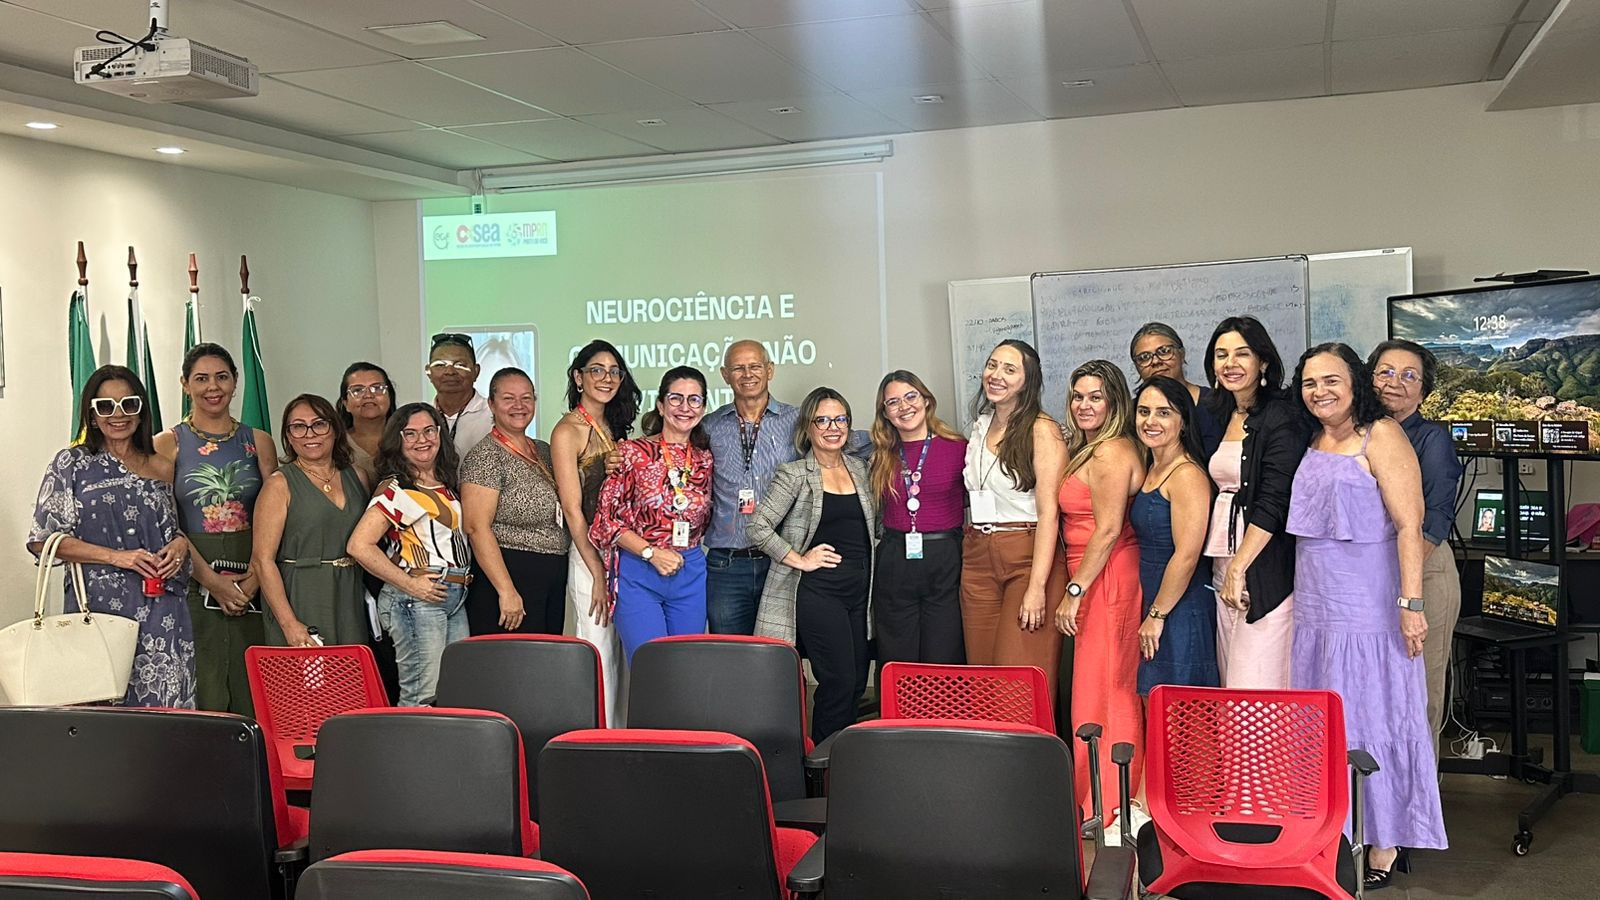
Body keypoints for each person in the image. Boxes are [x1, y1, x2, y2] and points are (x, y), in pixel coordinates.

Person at [1287, 343, 1446, 886]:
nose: (1320, 392)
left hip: (1370, 605)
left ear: (1355, 382)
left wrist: (1411, 604)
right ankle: (1333, 832)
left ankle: (1383, 842)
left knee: (1375, 716)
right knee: (1326, 720)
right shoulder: (1310, 438)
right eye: (1310, 383)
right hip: (1316, 605)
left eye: (1332, 380)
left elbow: (1410, 525)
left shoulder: (1382, 435)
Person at [28, 365, 195, 707]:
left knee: (165, 712)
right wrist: (117, 557)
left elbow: (171, 527)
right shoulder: (71, 464)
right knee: (102, 712)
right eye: (105, 406)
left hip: (163, 607)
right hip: (98, 610)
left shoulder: (162, 466)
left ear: (141, 410)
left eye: (128, 404)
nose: (118, 415)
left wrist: (180, 544)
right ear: (91, 415)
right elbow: (42, 539)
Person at [701, 340, 867, 636]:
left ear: (770, 370)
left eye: (755, 366)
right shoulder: (710, 426)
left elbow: (849, 440)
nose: (747, 374)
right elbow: (674, 450)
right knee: (729, 652)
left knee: (781, 653)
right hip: (727, 565)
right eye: (738, 368)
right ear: (725, 375)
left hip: (781, 562)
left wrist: (903, 439)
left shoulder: (798, 420)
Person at [750, 388, 879, 743]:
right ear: (808, 427)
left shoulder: (861, 469)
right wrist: (800, 559)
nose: (832, 428)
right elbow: (757, 528)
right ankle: (824, 763)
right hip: (820, 594)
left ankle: (847, 757)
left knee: (857, 681)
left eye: (840, 419)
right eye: (822, 420)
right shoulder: (794, 474)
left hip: (861, 595)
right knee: (838, 681)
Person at [155, 343, 276, 715]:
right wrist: (212, 582)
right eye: (201, 378)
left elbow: (276, 514)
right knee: (203, 683)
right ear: (185, 384)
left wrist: (255, 578)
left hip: (254, 572)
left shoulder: (259, 441)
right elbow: (164, 521)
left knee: (253, 683)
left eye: (222, 377)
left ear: (235, 382)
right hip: (192, 576)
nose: (213, 387)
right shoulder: (166, 444)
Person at [1055, 360, 1146, 821]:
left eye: (1095, 397)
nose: (1084, 405)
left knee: (1109, 688)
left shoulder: (1110, 452)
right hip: (1093, 573)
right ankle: (1096, 794)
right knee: (1095, 689)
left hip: (1106, 577)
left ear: (1114, 402)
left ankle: (1110, 802)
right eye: (1077, 396)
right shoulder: (1089, 448)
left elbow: (1108, 530)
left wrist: (1074, 591)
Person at [1369, 339, 1463, 755]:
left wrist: (1401, 585)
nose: (1395, 382)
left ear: (1423, 391)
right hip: (1376, 577)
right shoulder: (1358, 433)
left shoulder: (1432, 440)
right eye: (1386, 372)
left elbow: (1433, 522)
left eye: (1410, 376)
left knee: (1421, 693)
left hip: (1425, 574)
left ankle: (1424, 790)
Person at [961, 340, 1069, 699]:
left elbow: (1050, 513)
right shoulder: (980, 426)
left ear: (1028, 380)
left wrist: (1037, 587)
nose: (996, 375)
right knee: (982, 681)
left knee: (1017, 686)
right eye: (992, 365)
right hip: (977, 555)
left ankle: (1030, 741)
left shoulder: (1042, 430)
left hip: (1026, 555)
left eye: (1010, 369)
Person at [1202, 316, 1306, 689]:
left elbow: (1274, 500)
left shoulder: (1283, 415)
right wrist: (1228, 570)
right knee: (1230, 685)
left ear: (1262, 361)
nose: (1230, 364)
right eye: (1221, 355)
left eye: (1242, 354)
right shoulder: (1219, 414)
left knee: (1255, 690)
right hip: (1222, 567)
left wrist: (1239, 567)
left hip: (1261, 570)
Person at [347, 403, 470, 706]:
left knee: (454, 693)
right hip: (416, 599)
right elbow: (359, 545)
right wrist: (411, 585)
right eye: (410, 434)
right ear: (397, 440)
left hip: (453, 594)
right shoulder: (398, 489)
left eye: (429, 431)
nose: (422, 440)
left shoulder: (444, 483)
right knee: (420, 697)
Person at [590, 366, 715, 661]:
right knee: (650, 666)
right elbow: (604, 522)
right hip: (640, 571)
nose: (685, 407)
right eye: (675, 398)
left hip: (690, 571)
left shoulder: (706, 459)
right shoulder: (632, 453)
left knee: (686, 667)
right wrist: (650, 553)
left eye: (694, 400)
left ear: (703, 408)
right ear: (660, 405)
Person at [552, 340, 640, 726]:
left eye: (614, 371)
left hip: (624, 551)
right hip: (590, 553)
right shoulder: (567, 431)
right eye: (597, 370)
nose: (606, 378)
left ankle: (624, 739)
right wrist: (598, 574)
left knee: (625, 655)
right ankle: (599, 742)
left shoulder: (613, 427)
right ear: (578, 377)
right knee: (600, 652)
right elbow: (573, 510)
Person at [252, 394, 370, 647]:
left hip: (349, 593)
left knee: (351, 669)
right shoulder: (279, 484)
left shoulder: (357, 476)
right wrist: (289, 624)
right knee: (309, 672)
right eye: (298, 426)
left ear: (335, 429)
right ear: (288, 436)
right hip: (301, 594)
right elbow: (262, 561)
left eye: (319, 424)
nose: (310, 434)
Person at [460, 368, 571, 636]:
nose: (519, 406)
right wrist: (506, 590)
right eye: (508, 398)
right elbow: (476, 528)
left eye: (526, 398)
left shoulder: (543, 450)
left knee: (547, 656)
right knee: (515, 659)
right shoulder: (485, 457)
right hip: (510, 576)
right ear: (491, 404)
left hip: (551, 576)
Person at [868, 370, 966, 665]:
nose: (904, 406)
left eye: (911, 396)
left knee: (944, 651)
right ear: (885, 413)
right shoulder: (879, 455)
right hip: (895, 558)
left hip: (945, 557)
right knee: (896, 653)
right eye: (893, 402)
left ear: (926, 400)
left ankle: (941, 699)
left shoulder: (958, 448)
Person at [1128, 377, 1219, 694]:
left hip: (1181, 607)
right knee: (1155, 704)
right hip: (1157, 599)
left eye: (1163, 413)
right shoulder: (1152, 467)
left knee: (1180, 711)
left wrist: (1157, 614)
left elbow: (1187, 555)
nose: (1150, 421)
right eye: (1144, 411)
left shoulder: (1187, 474)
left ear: (1183, 422)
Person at [1129, 322, 1223, 455]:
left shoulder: (1216, 403)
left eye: (1164, 351)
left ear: (1182, 354)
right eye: (1144, 357)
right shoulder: (1130, 413)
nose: (1155, 361)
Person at [427, 332, 494, 458]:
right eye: (440, 365)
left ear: (476, 371)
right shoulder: (421, 418)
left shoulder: (494, 415)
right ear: (429, 372)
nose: (450, 372)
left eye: (460, 365)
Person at [338, 361, 397, 480]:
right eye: (358, 390)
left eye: (377, 388)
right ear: (345, 403)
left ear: (390, 397)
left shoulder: (407, 437)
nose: (368, 395)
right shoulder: (336, 444)